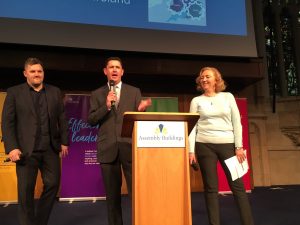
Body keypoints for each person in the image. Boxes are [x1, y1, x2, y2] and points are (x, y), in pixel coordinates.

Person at [1, 57, 69, 225]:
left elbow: (62, 118)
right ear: (25, 74)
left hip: (50, 149)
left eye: (39, 71)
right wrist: (12, 148)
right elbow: (7, 122)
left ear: (43, 73)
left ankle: (39, 221)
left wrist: (64, 142)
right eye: (33, 71)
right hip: (25, 150)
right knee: (25, 193)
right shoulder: (14, 92)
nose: (37, 74)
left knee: (53, 184)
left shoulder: (54, 91)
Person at [88, 57, 151, 225]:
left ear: (122, 71)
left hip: (130, 148)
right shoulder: (97, 94)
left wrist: (141, 111)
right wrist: (106, 106)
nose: (114, 70)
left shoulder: (134, 91)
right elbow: (91, 119)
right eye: (111, 67)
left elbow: (140, 120)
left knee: (136, 194)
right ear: (105, 71)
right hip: (107, 149)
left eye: (117, 67)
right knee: (112, 198)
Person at [189, 67, 254, 225]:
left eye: (208, 77)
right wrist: (191, 151)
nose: (204, 79)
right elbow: (192, 128)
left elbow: (236, 123)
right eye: (202, 77)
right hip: (204, 145)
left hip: (228, 146)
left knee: (237, 186)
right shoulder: (196, 101)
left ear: (216, 80)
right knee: (211, 189)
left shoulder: (228, 97)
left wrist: (239, 146)